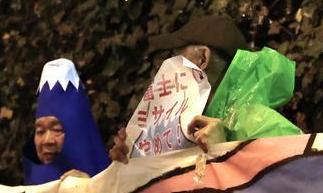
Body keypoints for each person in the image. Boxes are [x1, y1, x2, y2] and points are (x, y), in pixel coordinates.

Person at [109, 15, 301, 162]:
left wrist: (221, 151)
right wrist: (132, 162)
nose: (166, 69)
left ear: (202, 59)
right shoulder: (190, 132)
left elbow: (304, 184)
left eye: (176, 58)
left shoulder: (258, 124)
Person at [22, 58, 110, 185]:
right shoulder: (32, 188)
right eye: (40, 131)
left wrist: (90, 188)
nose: (47, 141)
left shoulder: (114, 183)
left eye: (57, 130)